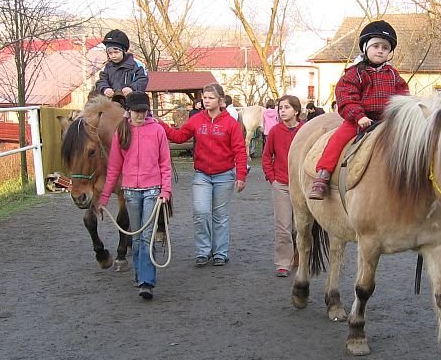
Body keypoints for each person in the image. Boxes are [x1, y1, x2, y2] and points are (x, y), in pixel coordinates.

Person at [309, 20, 409, 200]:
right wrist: (359, 116)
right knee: (338, 140)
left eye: (385, 48)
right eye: (376, 46)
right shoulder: (355, 73)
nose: (380, 50)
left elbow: (403, 97)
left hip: (387, 121)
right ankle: (323, 175)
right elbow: (346, 96)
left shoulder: (393, 75)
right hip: (359, 120)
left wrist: (403, 115)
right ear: (365, 48)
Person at [159, 83, 247, 267]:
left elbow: (239, 149)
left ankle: (220, 253)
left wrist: (241, 175)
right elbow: (180, 136)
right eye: (204, 98)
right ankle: (202, 251)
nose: (206, 101)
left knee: (220, 215)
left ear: (220, 101)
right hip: (202, 175)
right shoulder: (197, 120)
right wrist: (161, 125)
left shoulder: (230, 123)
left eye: (210, 98)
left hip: (224, 174)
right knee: (201, 212)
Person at [98, 92, 171, 300]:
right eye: (136, 111)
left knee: (147, 235)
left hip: (152, 189)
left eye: (143, 111)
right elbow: (114, 168)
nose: (140, 115)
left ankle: (146, 281)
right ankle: (141, 276)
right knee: (137, 237)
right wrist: (104, 198)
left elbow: (165, 163)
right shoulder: (122, 132)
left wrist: (165, 190)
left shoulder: (157, 131)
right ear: (129, 111)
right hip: (130, 191)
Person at [262, 95, 304, 278]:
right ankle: (282, 262)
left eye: (286, 107)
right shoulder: (275, 131)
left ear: (296, 110)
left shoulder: (305, 130)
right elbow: (266, 157)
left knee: (300, 226)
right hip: (281, 183)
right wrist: (272, 178)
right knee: (283, 226)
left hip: (302, 184)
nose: (282, 110)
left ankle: (300, 257)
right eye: (280, 108)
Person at [95, 29, 148, 101]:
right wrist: (105, 89)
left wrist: (132, 89)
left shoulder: (136, 65)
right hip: (112, 100)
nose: (113, 55)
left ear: (124, 51)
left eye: (116, 52)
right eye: (110, 53)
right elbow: (102, 81)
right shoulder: (108, 67)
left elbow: (142, 80)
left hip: (131, 100)